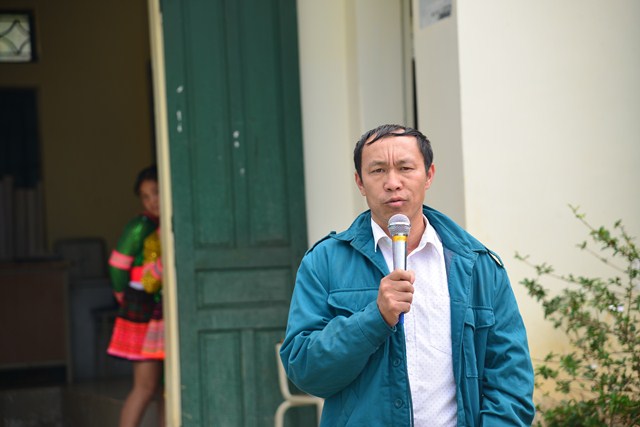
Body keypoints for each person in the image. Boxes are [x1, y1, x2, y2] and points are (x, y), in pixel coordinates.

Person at [280, 124, 535, 426]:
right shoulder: (324, 262)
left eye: (405, 168)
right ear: (360, 182)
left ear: (429, 175)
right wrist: (375, 318)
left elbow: (511, 380)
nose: (392, 183)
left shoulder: (477, 264)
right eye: (377, 171)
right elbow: (305, 371)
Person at [107, 165, 165, 427]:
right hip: (141, 309)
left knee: (167, 389)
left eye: (156, 192)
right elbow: (117, 266)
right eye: (145, 196)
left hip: (161, 310)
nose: (152, 201)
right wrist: (124, 296)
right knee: (145, 386)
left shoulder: (165, 225)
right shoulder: (140, 226)